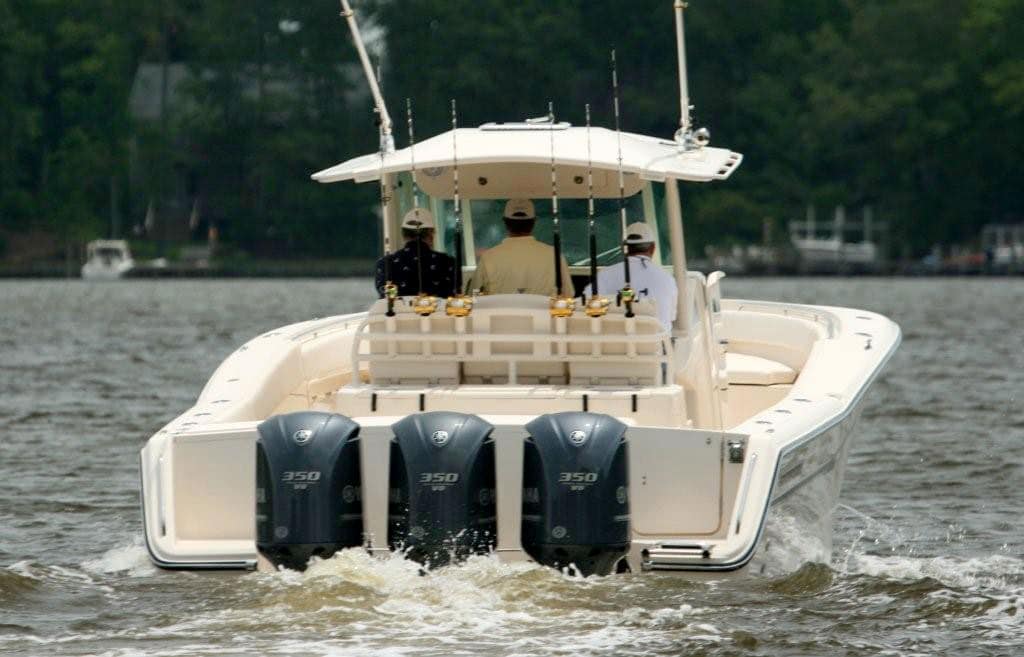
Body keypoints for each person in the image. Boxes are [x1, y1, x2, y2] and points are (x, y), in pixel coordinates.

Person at [584, 222, 678, 330]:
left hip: (616, 339)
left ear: (624, 248)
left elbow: (586, 307)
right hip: (657, 340)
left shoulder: (605, 275)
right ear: (653, 248)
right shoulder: (667, 278)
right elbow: (671, 317)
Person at [470, 199, 572, 296]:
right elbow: (568, 294)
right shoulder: (554, 255)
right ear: (534, 221)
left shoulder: (488, 257)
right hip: (544, 309)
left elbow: (473, 295)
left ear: (505, 222)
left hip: (500, 309)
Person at [374, 208, 456, 298]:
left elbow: (386, 297)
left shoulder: (385, 264)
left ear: (403, 235)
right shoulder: (447, 263)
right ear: (430, 234)